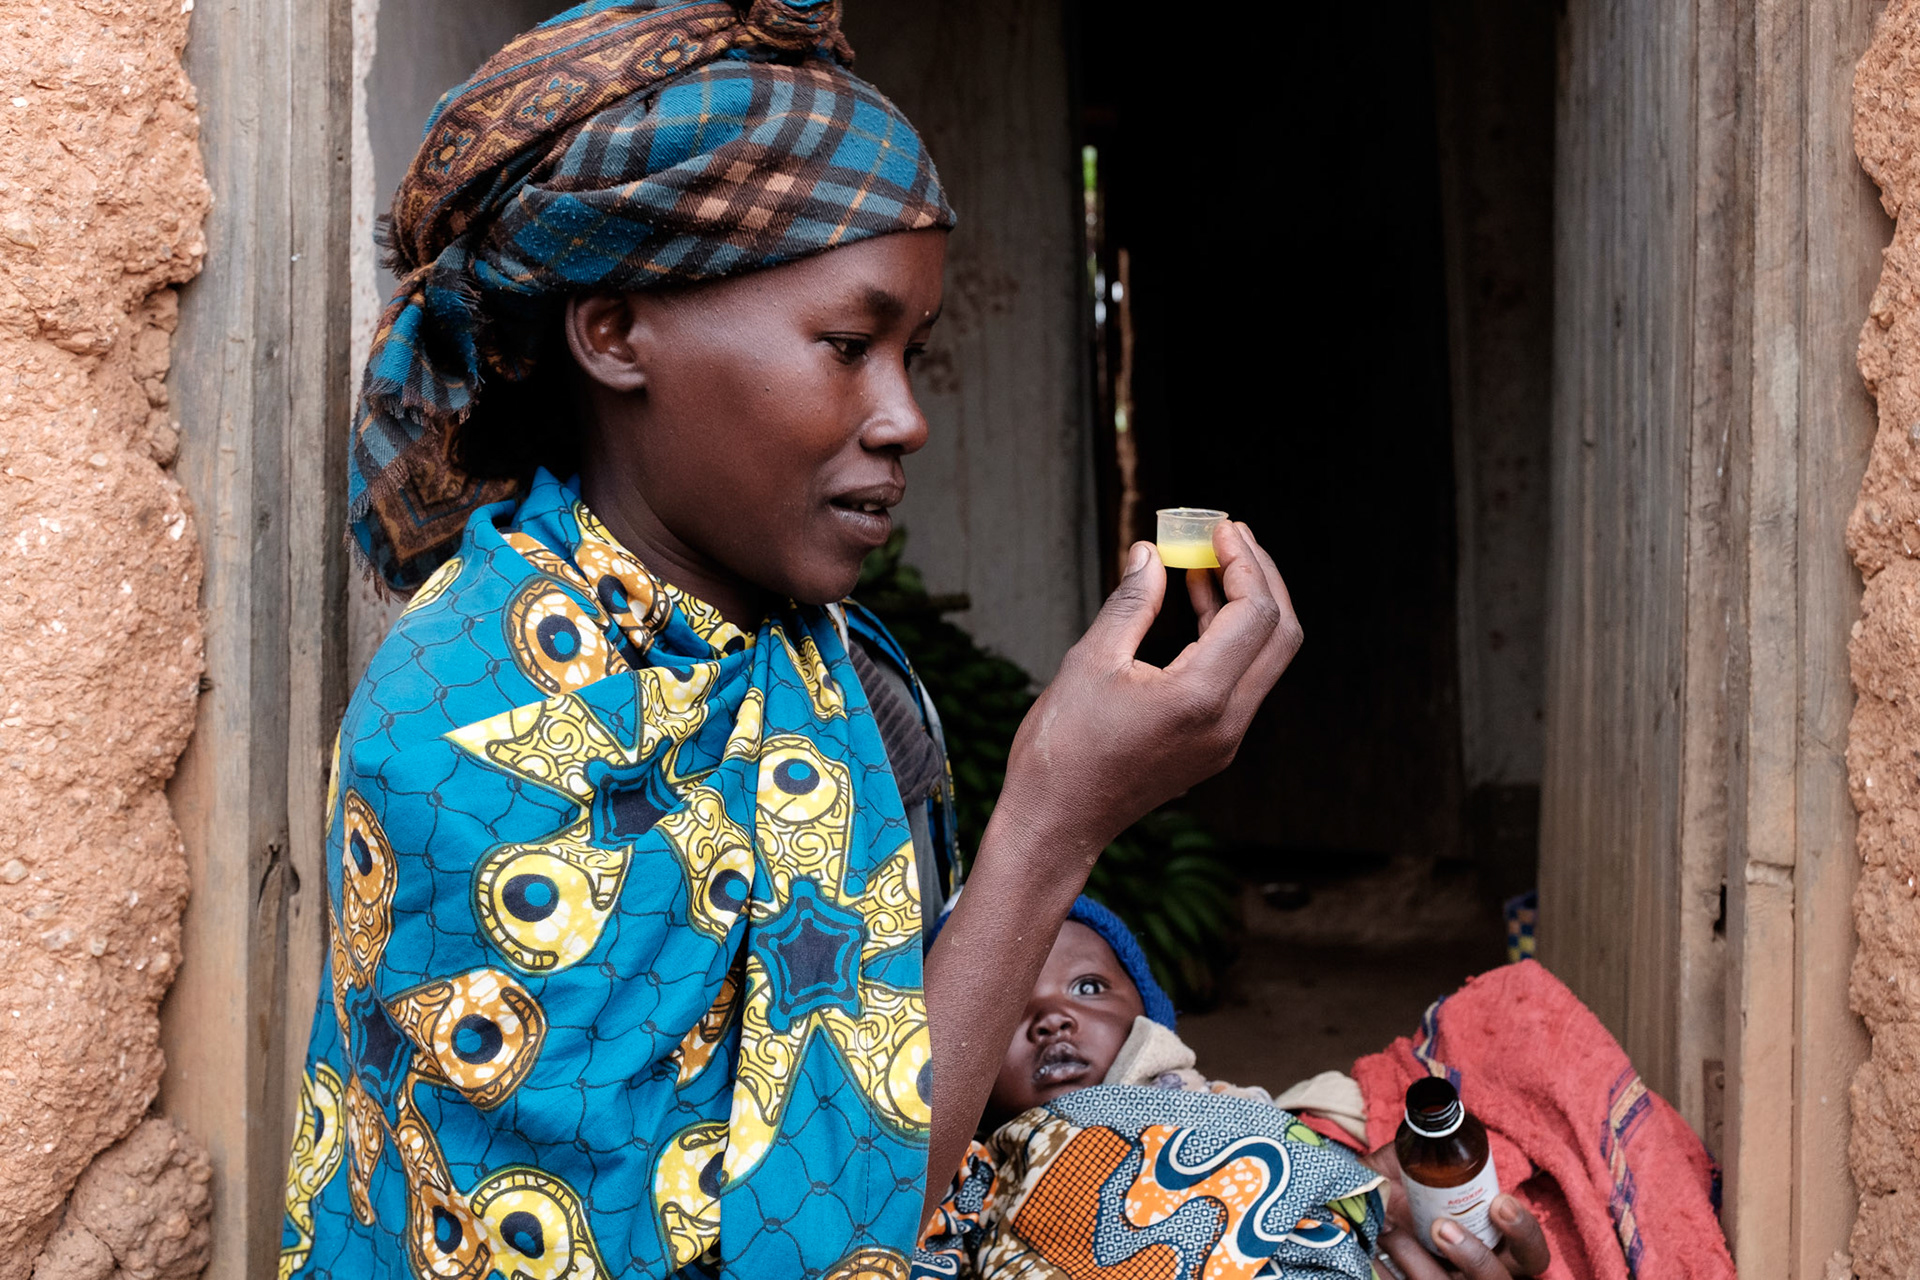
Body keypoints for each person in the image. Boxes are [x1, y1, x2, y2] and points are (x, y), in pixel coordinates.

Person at [276, 3, 1550, 1276]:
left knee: (1278, 1203)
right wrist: (1054, 820)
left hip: (874, 1216)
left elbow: (870, 1089)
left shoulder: (796, 649)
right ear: (615, 331)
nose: (905, 418)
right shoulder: (472, 725)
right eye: (847, 344)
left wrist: (1310, 1192)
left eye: (914, 353)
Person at [916, 897, 1553, 1280]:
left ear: (1148, 1017)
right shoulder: (968, 1171)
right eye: (1002, 1013)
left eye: (1087, 988)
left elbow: (1292, 1169)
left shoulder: (1213, 1109)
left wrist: (1348, 1190)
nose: (1053, 1018)